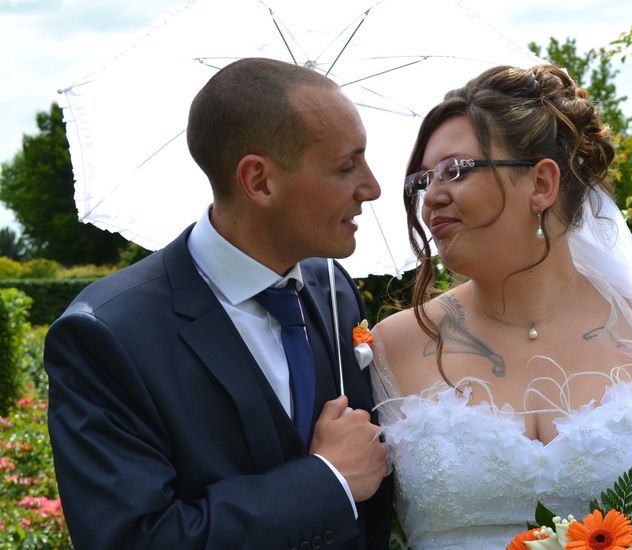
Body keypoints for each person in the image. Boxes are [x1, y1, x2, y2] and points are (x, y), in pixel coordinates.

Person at [369, 64, 632, 549]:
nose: (431, 197)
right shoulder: (390, 348)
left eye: (455, 171)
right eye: (423, 179)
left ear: (541, 184)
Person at [44, 58, 393, 549]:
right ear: (259, 181)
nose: (372, 188)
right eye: (345, 165)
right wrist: (325, 480)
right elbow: (132, 539)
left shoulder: (333, 289)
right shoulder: (106, 334)